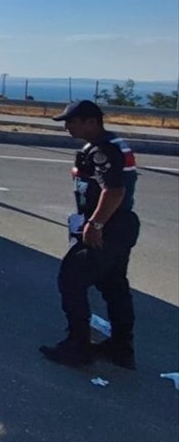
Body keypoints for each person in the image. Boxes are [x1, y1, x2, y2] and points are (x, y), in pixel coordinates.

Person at [40, 100, 140, 370]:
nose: (68, 127)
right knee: (114, 285)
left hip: (108, 227)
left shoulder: (103, 149)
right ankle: (121, 348)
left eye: (72, 122)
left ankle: (78, 348)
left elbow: (114, 191)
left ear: (91, 122)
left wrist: (95, 225)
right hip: (119, 225)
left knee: (71, 279)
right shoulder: (106, 145)